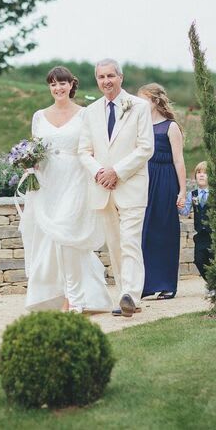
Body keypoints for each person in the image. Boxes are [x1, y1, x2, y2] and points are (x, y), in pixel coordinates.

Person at [20, 66, 114, 313]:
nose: (58, 88)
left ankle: (74, 299)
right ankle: (54, 295)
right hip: (47, 183)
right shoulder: (39, 116)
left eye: (62, 83)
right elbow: (36, 149)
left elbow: (93, 148)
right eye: (52, 84)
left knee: (67, 237)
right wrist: (28, 163)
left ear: (72, 85)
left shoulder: (85, 115)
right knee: (49, 240)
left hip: (76, 180)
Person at [78, 59, 154, 317]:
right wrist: (100, 172)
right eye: (101, 77)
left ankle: (130, 295)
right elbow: (84, 151)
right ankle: (124, 294)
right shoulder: (90, 112)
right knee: (114, 243)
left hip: (131, 185)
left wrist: (117, 172)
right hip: (103, 188)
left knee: (130, 241)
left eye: (111, 75)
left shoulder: (139, 107)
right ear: (97, 80)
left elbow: (146, 148)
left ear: (120, 77)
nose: (106, 81)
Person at [137, 83, 186, 300]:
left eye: (144, 100)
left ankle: (167, 284)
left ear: (155, 101)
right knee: (144, 231)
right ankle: (146, 284)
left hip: (166, 180)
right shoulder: (140, 126)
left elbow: (179, 160)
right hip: (145, 179)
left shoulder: (170, 127)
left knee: (165, 231)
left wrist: (182, 191)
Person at [187, 162, 214, 295]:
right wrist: (179, 204)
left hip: (213, 234)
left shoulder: (215, 193)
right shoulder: (192, 194)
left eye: (205, 172)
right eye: (198, 172)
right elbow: (185, 211)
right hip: (200, 234)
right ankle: (211, 283)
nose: (201, 175)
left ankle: (215, 284)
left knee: (213, 259)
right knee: (199, 260)